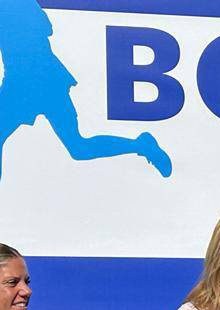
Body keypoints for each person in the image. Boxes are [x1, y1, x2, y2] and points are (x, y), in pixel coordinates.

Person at [0, 0, 171, 179]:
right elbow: (46, 28)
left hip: (30, 82)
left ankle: (141, 145)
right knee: (78, 148)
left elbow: (45, 28)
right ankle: (141, 145)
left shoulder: (15, 4)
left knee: (78, 147)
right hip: (40, 81)